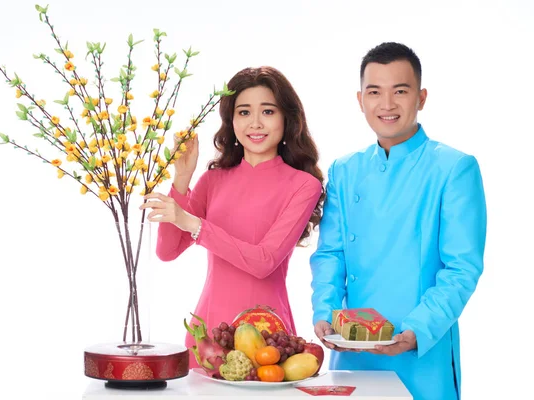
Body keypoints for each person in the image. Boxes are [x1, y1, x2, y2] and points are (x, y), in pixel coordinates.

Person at [310, 42, 486, 400]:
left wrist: (418, 330)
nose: (387, 105)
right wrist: (325, 313)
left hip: (423, 350)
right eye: (375, 92)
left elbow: (461, 268)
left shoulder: (454, 168)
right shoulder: (345, 171)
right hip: (352, 349)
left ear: (421, 98)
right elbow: (331, 254)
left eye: (400, 91)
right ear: (360, 100)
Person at [140, 66, 325, 367]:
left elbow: (264, 262)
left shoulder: (304, 185)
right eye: (243, 112)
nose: (255, 123)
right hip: (208, 337)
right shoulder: (213, 181)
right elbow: (167, 251)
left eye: (267, 111)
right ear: (231, 120)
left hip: (268, 338)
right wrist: (182, 180)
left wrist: (195, 224)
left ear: (286, 118)